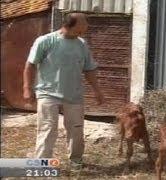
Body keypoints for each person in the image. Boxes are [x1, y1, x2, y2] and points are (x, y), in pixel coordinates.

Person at [23, 13, 105, 169]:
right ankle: (42, 165)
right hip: (47, 93)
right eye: (84, 22)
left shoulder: (82, 44)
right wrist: (27, 88)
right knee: (47, 129)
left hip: (73, 94)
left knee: (76, 130)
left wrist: (97, 90)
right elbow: (30, 65)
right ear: (72, 25)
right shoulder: (46, 41)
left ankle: (76, 161)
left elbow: (89, 69)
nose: (87, 25)